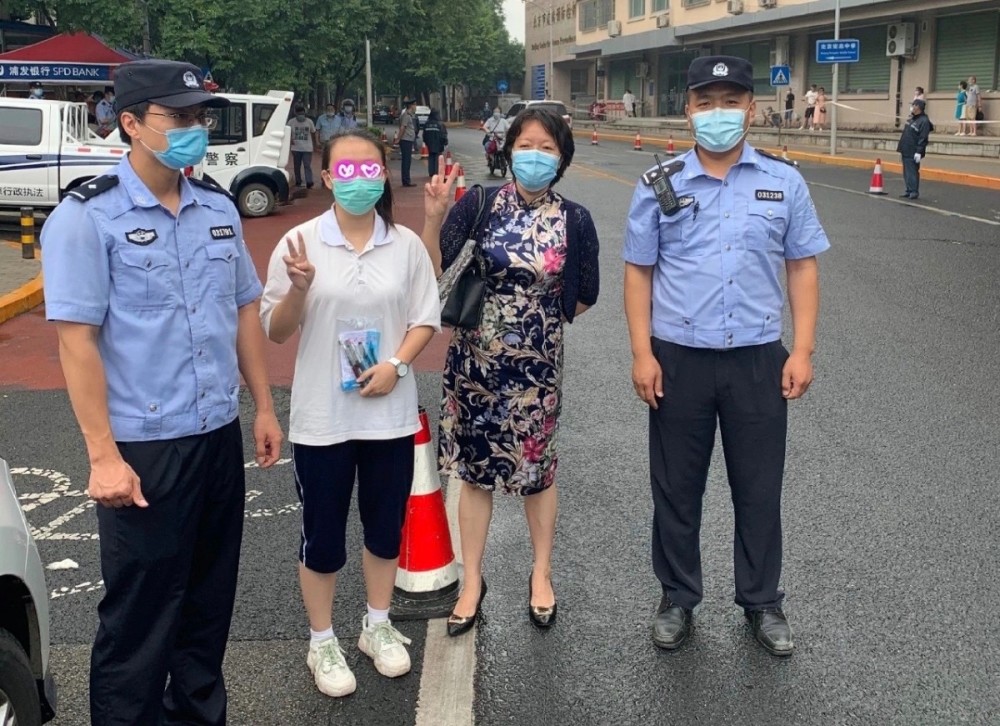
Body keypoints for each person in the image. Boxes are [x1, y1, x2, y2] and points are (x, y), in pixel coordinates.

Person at [39, 59, 283, 725]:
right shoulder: (86, 219)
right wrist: (102, 457)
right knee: (141, 619)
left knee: (206, 609)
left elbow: (242, 310)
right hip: (143, 451)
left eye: (200, 117)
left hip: (213, 437)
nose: (194, 129)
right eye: (178, 117)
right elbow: (76, 342)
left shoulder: (217, 209)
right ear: (131, 123)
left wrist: (261, 406)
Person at [623, 55, 829, 658]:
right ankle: (678, 598)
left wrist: (805, 350)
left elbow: (802, 267)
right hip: (678, 357)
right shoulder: (659, 183)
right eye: (706, 102)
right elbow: (639, 272)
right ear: (688, 110)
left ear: (751, 110)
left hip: (758, 359)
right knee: (677, 489)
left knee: (759, 489)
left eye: (731, 101)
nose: (719, 113)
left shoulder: (783, 181)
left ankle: (763, 602)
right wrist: (642, 353)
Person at [260, 128, 440, 698]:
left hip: (388, 416)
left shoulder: (405, 244)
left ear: (383, 175)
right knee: (323, 538)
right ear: (327, 173)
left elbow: (424, 317)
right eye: (347, 170)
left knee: (385, 531)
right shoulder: (299, 243)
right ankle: (322, 639)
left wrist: (397, 365)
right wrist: (298, 291)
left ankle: (377, 626)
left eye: (371, 170)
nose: (359, 180)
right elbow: (276, 331)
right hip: (323, 420)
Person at [419, 107, 601, 637]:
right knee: (475, 474)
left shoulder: (576, 219)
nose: (535, 155)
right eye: (526, 144)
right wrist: (432, 218)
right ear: (509, 148)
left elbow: (585, 294)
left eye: (547, 147)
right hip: (474, 363)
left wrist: (536, 320)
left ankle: (541, 574)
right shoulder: (478, 203)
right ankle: (472, 580)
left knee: (536, 471)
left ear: (562, 157)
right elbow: (432, 267)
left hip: (537, 371)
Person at [897, 98, 931, 200]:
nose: (912, 107)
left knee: (912, 171)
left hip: (913, 150)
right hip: (905, 149)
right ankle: (908, 189)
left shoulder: (924, 121)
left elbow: (923, 138)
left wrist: (919, 152)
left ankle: (914, 191)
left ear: (918, 107)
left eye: (913, 105)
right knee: (906, 171)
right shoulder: (912, 118)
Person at [289, 104, 318, 188]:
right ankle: (298, 181)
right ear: (296, 114)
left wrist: (315, 144)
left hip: (307, 148)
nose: (301, 116)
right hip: (295, 148)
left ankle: (309, 181)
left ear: (305, 113)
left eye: (302, 114)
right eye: (299, 114)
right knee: (296, 166)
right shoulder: (291, 122)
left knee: (307, 165)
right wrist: (290, 139)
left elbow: (313, 133)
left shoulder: (309, 122)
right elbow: (287, 132)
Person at [394, 98, 419, 187]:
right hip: (406, 140)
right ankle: (406, 180)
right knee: (406, 161)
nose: (415, 107)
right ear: (411, 106)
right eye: (415, 105)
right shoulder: (406, 115)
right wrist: (398, 138)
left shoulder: (409, 115)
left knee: (407, 160)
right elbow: (402, 128)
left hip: (408, 140)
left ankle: (406, 179)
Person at [422, 108, 448, 176]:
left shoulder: (427, 124)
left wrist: (426, 142)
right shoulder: (440, 124)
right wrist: (445, 142)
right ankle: (436, 172)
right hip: (438, 145)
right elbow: (443, 135)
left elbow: (424, 135)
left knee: (431, 157)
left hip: (429, 144)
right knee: (437, 158)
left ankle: (431, 172)